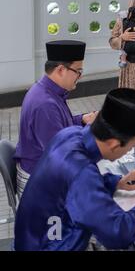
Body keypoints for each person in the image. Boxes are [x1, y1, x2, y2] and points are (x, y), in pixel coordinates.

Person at [14, 88, 135, 251]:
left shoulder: (69, 134)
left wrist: (116, 182)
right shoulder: (82, 172)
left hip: (33, 238)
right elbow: (116, 233)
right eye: (133, 146)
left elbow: (68, 187)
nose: (130, 151)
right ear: (114, 144)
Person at [14, 40, 97, 198]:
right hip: (39, 184)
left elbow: (60, 130)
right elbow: (61, 153)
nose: (80, 76)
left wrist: (83, 120)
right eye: (78, 71)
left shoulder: (47, 91)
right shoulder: (45, 104)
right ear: (60, 70)